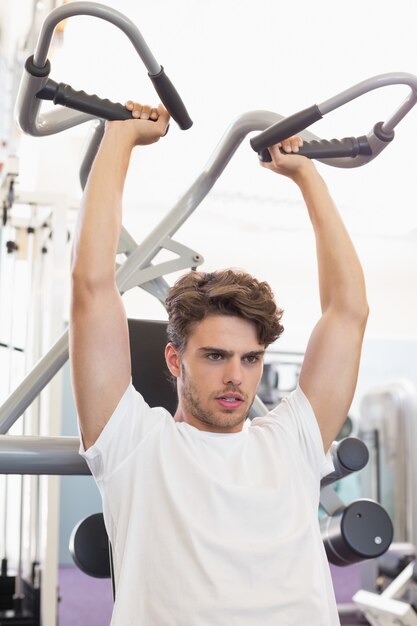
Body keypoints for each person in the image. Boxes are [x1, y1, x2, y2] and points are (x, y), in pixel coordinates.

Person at [69, 101, 368, 626]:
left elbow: (348, 312)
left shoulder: (291, 441)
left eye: (250, 358)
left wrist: (307, 177)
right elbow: (92, 288)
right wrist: (120, 140)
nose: (236, 376)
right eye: (214, 356)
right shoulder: (135, 445)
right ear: (174, 358)